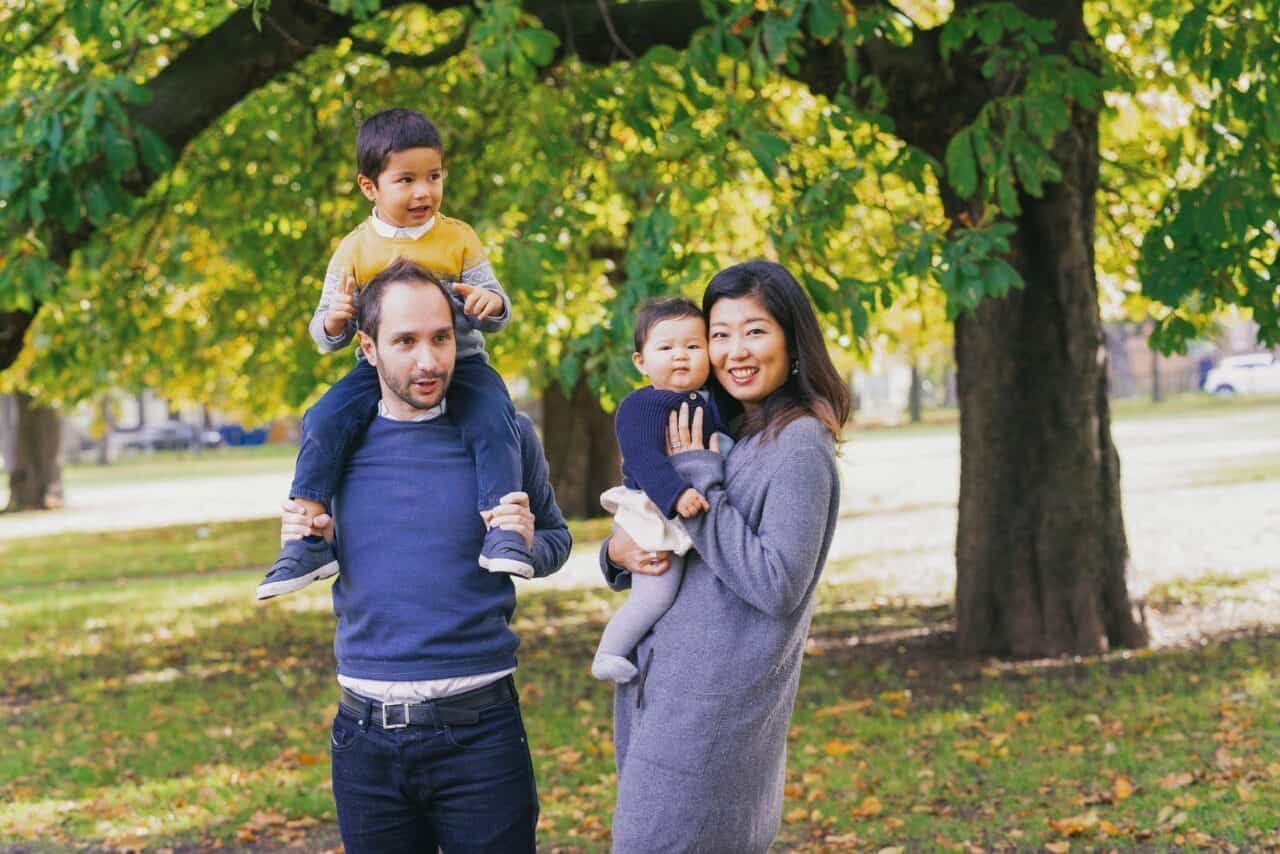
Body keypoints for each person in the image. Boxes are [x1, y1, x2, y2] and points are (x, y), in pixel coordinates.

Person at [279, 258, 571, 852]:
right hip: (364, 742)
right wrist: (311, 538)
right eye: (405, 341)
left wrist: (527, 542)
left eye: (441, 338)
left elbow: (556, 541)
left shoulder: (504, 433)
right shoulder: (335, 442)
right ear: (367, 347)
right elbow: (346, 547)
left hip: (481, 735)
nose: (429, 360)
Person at [600, 260, 852, 852]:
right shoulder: (725, 427)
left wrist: (698, 490)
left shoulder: (799, 446)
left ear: (792, 341)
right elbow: (660, 525)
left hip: (714, 716)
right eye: (720, 334)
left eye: (755, 330)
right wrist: (617, 553)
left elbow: (777, 582)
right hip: (664, 692)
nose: (735, 350)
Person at [259, 107, 531, 601]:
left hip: (461, 363)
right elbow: (324, 333)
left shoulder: (459, 237)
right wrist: (336, 318)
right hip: (378, 371)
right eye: (406, 180)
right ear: (370, 187)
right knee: (322, 418)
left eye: (433, 177)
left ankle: (502, 524)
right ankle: (308, 535)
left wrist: (493, 305)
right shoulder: (355, 250)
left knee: (494, 417)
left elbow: (497, 306)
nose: (423, 192)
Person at [591, 297, 727, 684]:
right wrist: (676, 494)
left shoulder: (712, 401)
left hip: (687, 512)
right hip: (653, 511)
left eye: (693, 346)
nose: (680, 356)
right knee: (656, 592)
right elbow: (642, 459)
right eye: (666, 348)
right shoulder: (642, 405)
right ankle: (610, 652)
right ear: (640, 361)